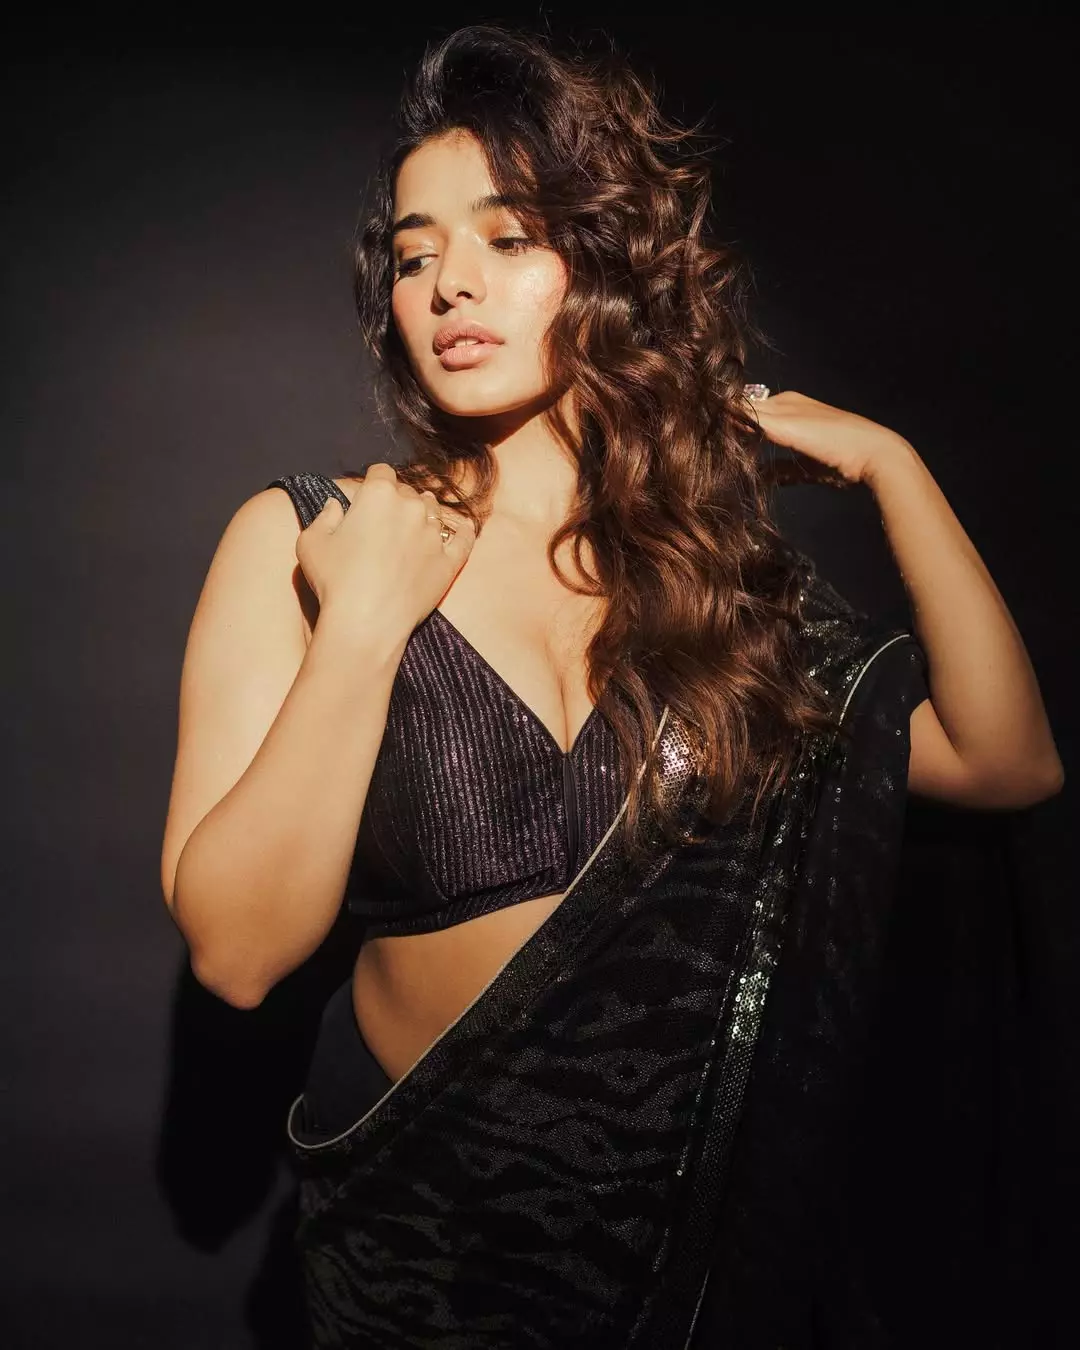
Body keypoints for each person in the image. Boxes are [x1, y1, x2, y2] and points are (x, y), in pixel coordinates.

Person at [159, 23, 1063, 1349]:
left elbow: (1005, 761)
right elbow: (238, 956)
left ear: (606, 263)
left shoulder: (706, 582)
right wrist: (365, 623)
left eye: (508, 237)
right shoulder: (310, 540)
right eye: (415, 255)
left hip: (693, 1272)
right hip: (429, 1261)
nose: (451, 286)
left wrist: (892, 466)